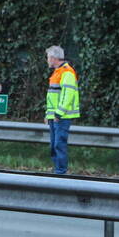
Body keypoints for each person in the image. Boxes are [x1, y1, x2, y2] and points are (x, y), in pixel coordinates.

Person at [45, 45, 80, 175]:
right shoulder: (58, 72)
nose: (47, 60)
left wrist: (58, 113)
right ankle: (58, 171)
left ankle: (60, 172)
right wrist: (48, 114)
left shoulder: (67, 72)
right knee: (55, 145)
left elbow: (68, 95)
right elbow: (53, 97)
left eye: (48, 57)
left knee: (59, 145)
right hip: (55, 116)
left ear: (54, 58)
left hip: (61, 116)